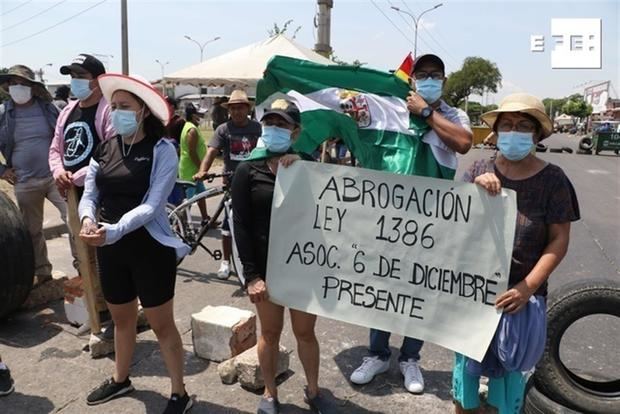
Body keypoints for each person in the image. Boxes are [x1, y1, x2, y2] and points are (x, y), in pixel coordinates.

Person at [350, 54, 473, 394]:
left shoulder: (454, 115)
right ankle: (377, 354)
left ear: (444, 81)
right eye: (423, 75)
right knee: (383, 283)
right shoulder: (392, 107)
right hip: (389, 217)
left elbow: (463, 143)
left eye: (436, 75)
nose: (429, 80)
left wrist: (426, 112)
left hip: (430, 220)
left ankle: (410, 359)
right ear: (412, 79)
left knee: (419, 289)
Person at [455, 93, 580, 414]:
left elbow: (559, 240)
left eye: (523, 126)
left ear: (537, 135)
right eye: (507, 125)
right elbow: (455, 227)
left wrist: (527, 288)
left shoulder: (554, 180)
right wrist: (473, 193)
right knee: (464, 387)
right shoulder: (478, 169)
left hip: (519, 302)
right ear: (497, 133)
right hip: (473, 296)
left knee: (506, 391)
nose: (514, 131)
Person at [78, 73, 192, 414]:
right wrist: (87, 218)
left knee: (161, 325)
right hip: (111, 248)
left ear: (143, 111)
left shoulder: (162, 150)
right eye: (113, 107)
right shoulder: (106, 147)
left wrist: (112, 230)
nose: (116, 113)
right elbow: (90, 192)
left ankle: (179, 394)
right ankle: (120, 378)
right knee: (122, 320)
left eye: (124, 107)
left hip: (149, 249)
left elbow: (152, 205)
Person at [232, 99, 336, 414]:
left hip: (302, 269)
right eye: (269, 123)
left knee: (305, 332)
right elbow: (241, 226)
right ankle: (269, 393)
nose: (274, 129)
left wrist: (303, 170)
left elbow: (330, 212)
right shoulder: (247, 169)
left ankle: (314, 391)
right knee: (270, 332)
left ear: (295, 132)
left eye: (282, 125)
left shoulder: (307, 165)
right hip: (266, 271)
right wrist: (251, 277)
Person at [48, 53, 115, 328]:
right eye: (72, 76)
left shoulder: (109, 110)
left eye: (81, 76)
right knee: (81, 253)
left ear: (98, 80)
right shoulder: (68, 110)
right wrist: (58, 171)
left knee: (105, 255)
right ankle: (96, 310)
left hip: (101, 193)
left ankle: (117, 311)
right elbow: (55, 148)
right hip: (72, 194)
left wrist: (78, 176)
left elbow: (112, 152)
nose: (75, 82)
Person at [0, 64, 68, 285]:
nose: (18, 87)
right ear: (8, 87)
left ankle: (85, 268)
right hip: (24, 181)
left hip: (55, 177)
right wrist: (2, 171)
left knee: (75, 222)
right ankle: (43, 272)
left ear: (33, 87)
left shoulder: (48, 108)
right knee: (32, 232)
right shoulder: (3, 114)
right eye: (14, 83)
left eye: (23, 84)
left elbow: (67, 134)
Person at [193, 90, 261, 280]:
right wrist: (203, 170)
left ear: (248, 108)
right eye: (233, 108)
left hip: (256, 181)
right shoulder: (224, 129)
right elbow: (211, 151)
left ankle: (255, 261)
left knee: (256, 223)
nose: (237, 112)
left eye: (240, 108)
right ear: (228, 110)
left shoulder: (258, 128)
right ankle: (225, 261)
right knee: (228, 224)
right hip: (232, 183)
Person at [178, 103, 209, 221]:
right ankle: (181, 226)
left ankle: (205, 219)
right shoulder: (191, 130)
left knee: (202, 194)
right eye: (198, 114)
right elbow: (192, 152)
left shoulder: (191, 127)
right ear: (192, 115)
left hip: (195, 169)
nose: (201, 116)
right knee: (188, 202)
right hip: (190, 171)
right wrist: (202, 169)